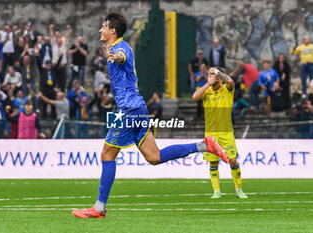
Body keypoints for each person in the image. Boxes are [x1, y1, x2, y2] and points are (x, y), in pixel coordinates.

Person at [71, 12, 228, 219]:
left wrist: (113, 56)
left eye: (103, 26)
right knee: (155, 157)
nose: (100, 29)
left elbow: (121, 57)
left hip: (129, 110)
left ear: (112, 30)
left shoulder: (121, 47)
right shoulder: (116, 47)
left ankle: (99, 208)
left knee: (107, 154)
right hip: (137, 108)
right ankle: (204, 145)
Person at [192, 67, 247, 199]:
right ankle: (216, 191)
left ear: (220, 76)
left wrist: (219, 74)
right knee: (213, 163)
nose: (211, 76)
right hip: (210, 133)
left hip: (226, 132)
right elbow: (195, 97)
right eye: (209, 74)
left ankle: (239, 189)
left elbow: (231, 82)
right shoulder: (206, 90)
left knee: (233, 161)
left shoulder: (227, 89)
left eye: (213, 74)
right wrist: (208, 83)